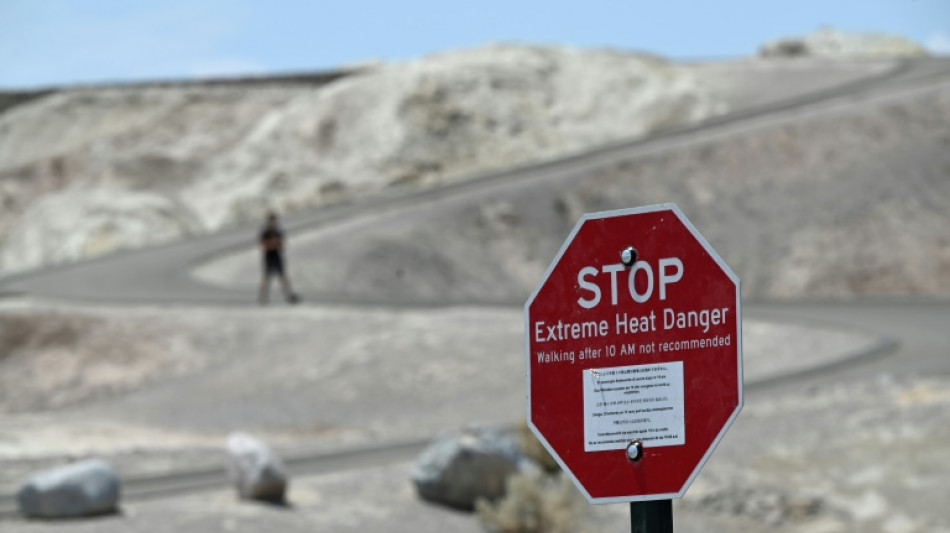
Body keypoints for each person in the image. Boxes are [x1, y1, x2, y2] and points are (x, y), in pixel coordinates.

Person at [258, 212, 299, 304]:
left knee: (283, 277)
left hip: (276, 255)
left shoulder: (277, 232)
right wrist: (273, 244)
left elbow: (281, 244)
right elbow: (264, 244)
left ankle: (289, 295)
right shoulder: (266, 232)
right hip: (269, 256)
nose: (272, 222)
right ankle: (263, 297)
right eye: (271, 221)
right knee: (267, 277)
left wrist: (273, 244)